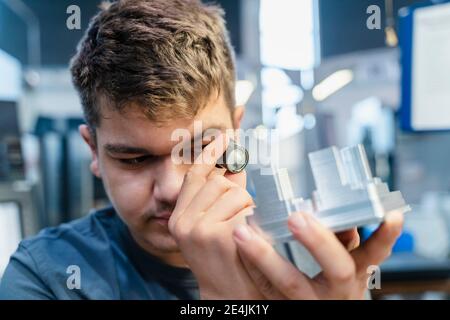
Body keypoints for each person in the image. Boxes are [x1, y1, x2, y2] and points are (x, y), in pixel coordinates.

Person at [0, 0, 403, 300]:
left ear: (237, 129)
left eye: (201, 149)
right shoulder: (47, 277)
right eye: (134, 159)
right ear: (94, 151)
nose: (174, 189)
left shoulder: (309, 259)